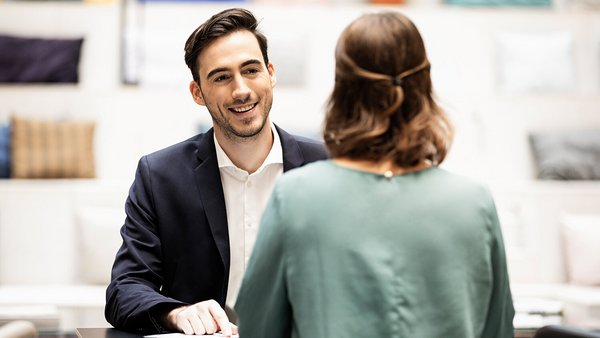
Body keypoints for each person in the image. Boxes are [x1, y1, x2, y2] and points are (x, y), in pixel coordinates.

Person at [235, 10, 515, 338]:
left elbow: (258, 327)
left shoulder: (295, 196)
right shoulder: (474, 202)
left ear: (342, 89)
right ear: (423, 83)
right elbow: (497, 328)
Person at [104, 8, 328, 336]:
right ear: (198, 92)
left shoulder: (327, 166)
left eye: (251, 70)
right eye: (221, 77)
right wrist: (176, 313)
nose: (241, 90)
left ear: (270, 73)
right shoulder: (159, 176)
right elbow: (125, 289)